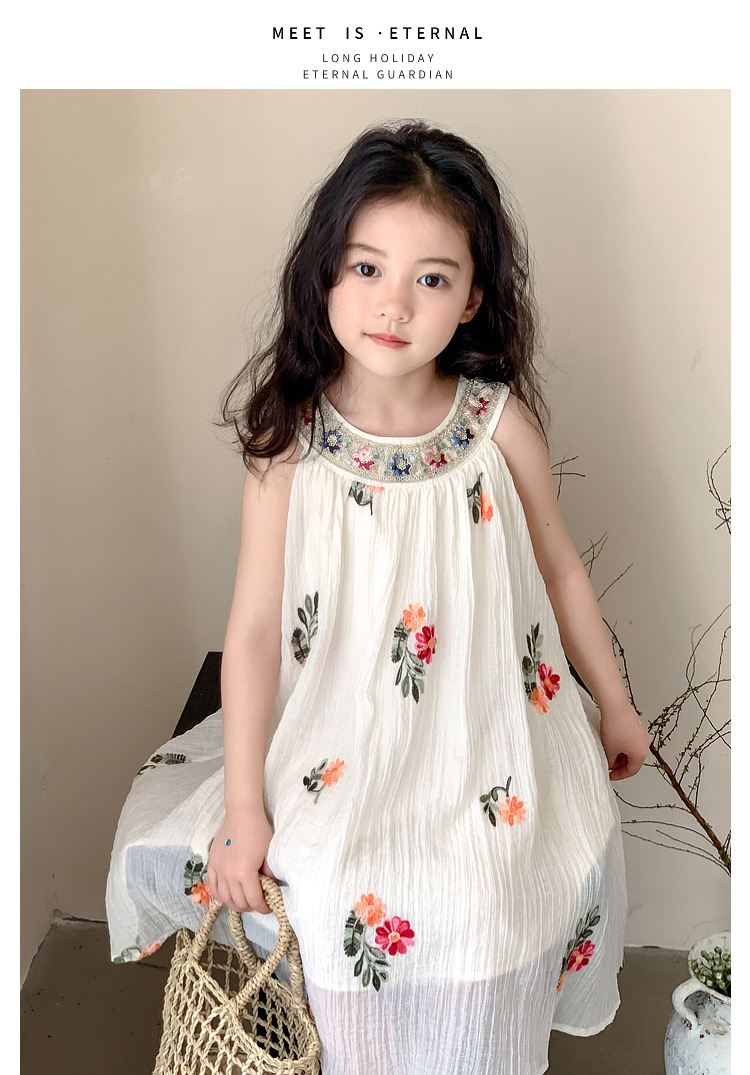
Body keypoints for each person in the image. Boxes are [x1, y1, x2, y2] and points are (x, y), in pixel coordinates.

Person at [106, 119, 653, 1075]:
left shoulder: (496, 425)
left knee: (492, 896)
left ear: (472, 297)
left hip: (485, 732)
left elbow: (563, 570)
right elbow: (254, 630)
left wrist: (614, 702)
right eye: (367, 268)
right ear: (325, 273)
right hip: (341, 734)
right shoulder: (293, 442)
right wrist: (242, 805)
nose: (393, 303)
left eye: (430, 279)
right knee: (328, 893)